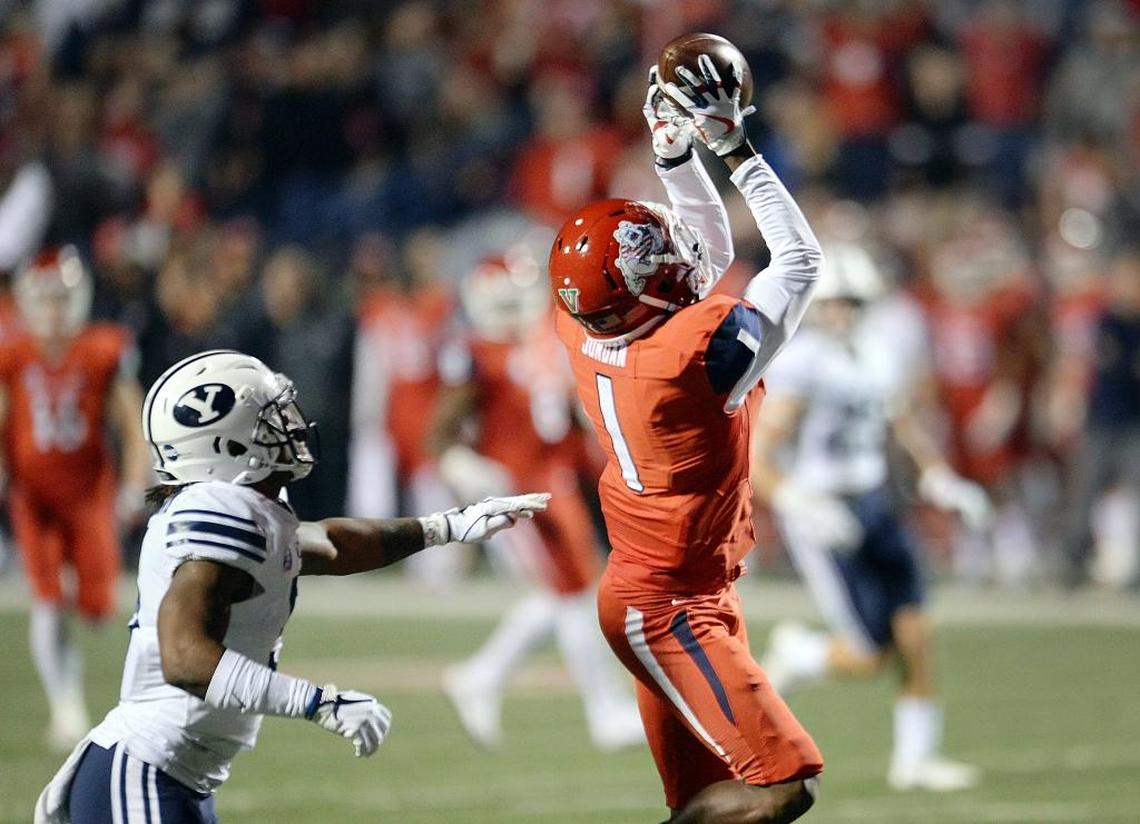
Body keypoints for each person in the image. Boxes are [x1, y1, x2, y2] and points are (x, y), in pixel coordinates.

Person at [34, 349, 548, 823]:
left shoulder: (246, 509)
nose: (292, 425)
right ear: (224, 441)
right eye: (270, 419)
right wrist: (319, 701)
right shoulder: (218, 509)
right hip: (146, 768)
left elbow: (331, 544)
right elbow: (185, 658)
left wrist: (447, 527)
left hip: (174, 774)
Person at [549, 59, 823, 823]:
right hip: (669, 600)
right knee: (780, 786)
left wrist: (672, 154)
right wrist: (735, 149)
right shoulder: (691, 358)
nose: (676, 251)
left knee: (707, 801)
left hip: (659, 585)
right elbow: (799, 262)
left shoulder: (582, 324)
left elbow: (699, 253)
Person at [751, 241, 987, 792]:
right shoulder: (805, 360)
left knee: (917, 632)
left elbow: (900, 421)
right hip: (825, 513)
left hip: (874, 503)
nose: (842, 313)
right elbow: (759, 457)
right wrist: (798, 503)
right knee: (869, 654)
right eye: (835, 302)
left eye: (853, 303)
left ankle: (915, 759)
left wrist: (937, 474)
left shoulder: (876, 351)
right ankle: (801, 653)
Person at [432, 252, 643, 751]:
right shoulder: (477, 350)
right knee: (574, 593)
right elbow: (438, 431)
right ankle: (603, 710)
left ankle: (479, 676)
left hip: (557, 478)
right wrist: (460, 464)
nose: (516, 309)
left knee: (569, 591)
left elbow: (564, 409)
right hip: (516, 483)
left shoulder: (543, 337)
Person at [0, 246, 151, 751]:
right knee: (47, 599)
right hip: (34, 496)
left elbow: (132, 424)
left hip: (89, 494)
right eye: (44, 299)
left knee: (95, 609)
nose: (53, 311)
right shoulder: (13, 353)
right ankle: (66, 709)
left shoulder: (102, 348)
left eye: (62, 299)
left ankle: (115, 690)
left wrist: (134, 486)